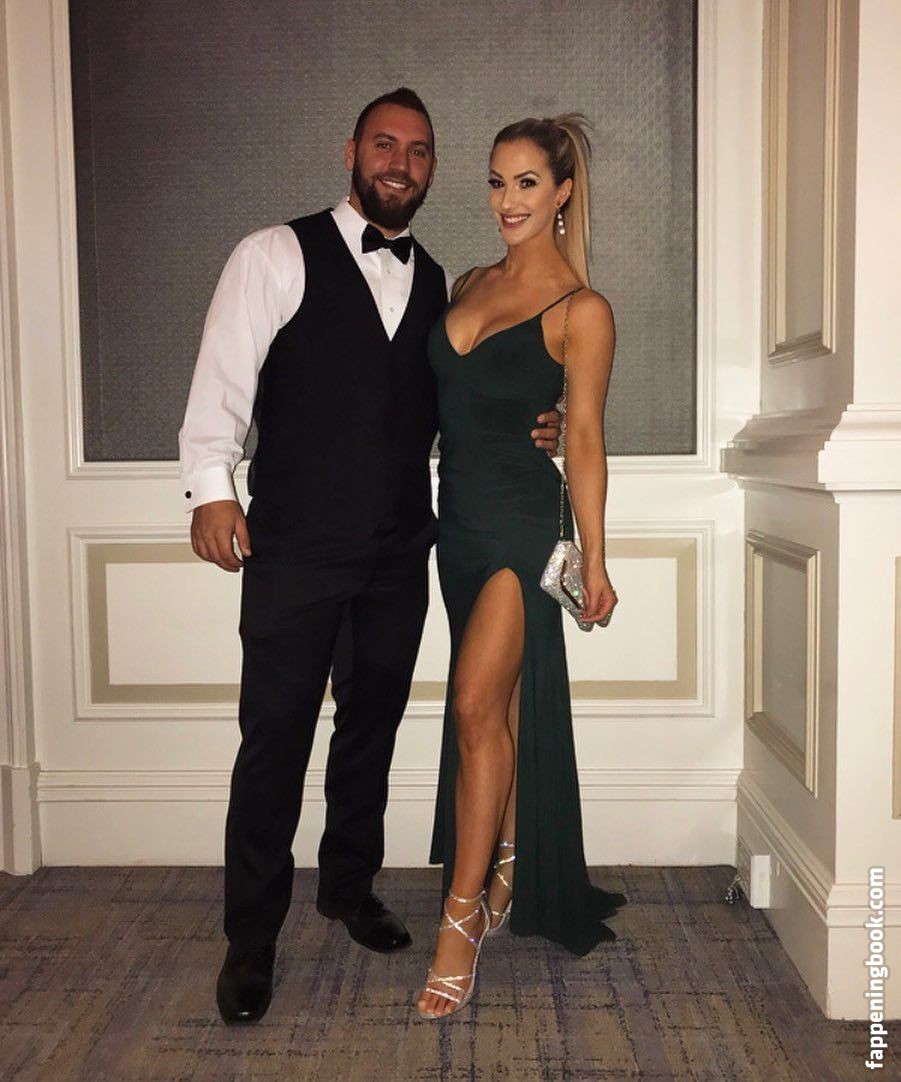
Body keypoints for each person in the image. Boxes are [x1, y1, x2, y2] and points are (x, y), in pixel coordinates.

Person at [178, 88, 562, 1025]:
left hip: (398, 550)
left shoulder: (441, 283)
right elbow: (222, 374)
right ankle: (251, 937)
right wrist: (212, 489)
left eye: (419, 151)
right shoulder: (273, 253)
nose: (400, 162)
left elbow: (469, 392)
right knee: (275, 738)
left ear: (431, 170)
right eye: (385, 144)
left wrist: (539, 421)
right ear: (351, 151)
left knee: (370, 730)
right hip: (296, 545)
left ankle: (348, 887)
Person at [417, 115, 627, 1020]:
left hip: (518, 526)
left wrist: (595, 557)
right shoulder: (468, 283)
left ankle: (459, 920)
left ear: (563, 191)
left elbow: (583, 438)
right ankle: (506, 862)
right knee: (492, 710)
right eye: (497, 182)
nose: (507, 200)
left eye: (527, 183)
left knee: (472, 708)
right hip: (455, 526)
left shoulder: (582, 310)